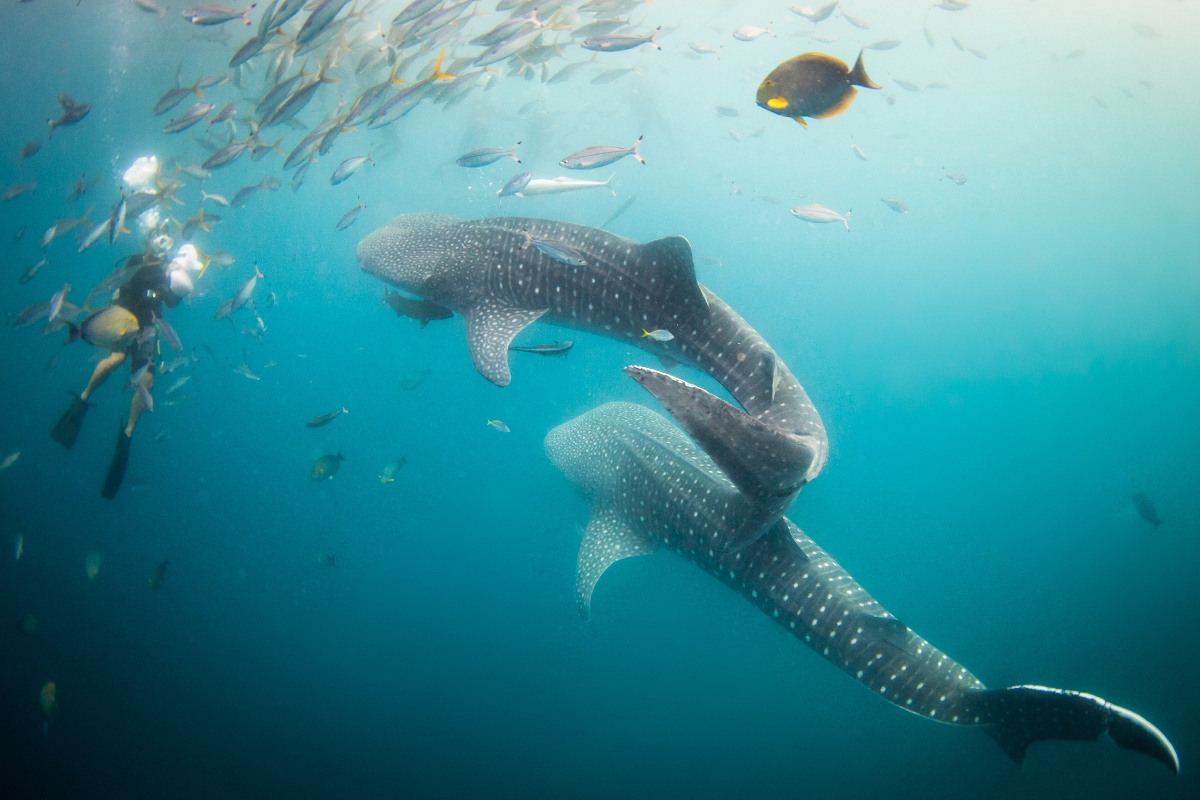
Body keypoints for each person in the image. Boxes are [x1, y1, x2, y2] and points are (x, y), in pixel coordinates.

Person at [50, 247, 182, 499]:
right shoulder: (138, 261)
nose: (160, 251)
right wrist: (162, 275)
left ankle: (121, 428)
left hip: (143, 326)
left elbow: (172, 302)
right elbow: (136, 284)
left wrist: (176, 284)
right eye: (157, 245)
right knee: (118, 359)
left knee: (145, 378)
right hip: (124, 320)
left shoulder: (165, 271)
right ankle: (88, 403)